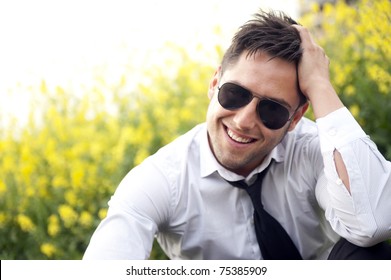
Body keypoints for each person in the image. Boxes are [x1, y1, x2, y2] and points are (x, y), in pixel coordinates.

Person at [83, 10, 391, 260]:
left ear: (296, 117)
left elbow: (373, 223)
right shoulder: (165, 179)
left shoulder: (313, 151)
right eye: (235, 94)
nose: (244, 121)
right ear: (214, 82)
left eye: (272, 110)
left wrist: (321, 87)